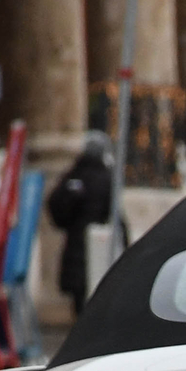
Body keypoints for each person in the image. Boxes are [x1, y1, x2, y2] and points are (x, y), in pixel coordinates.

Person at [45, 132, 114, 314]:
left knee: (79, 299)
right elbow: (114, 213)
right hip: (100, 244)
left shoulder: (74, 175)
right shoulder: (106, 178)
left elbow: (55, 206)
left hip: (75, 243)